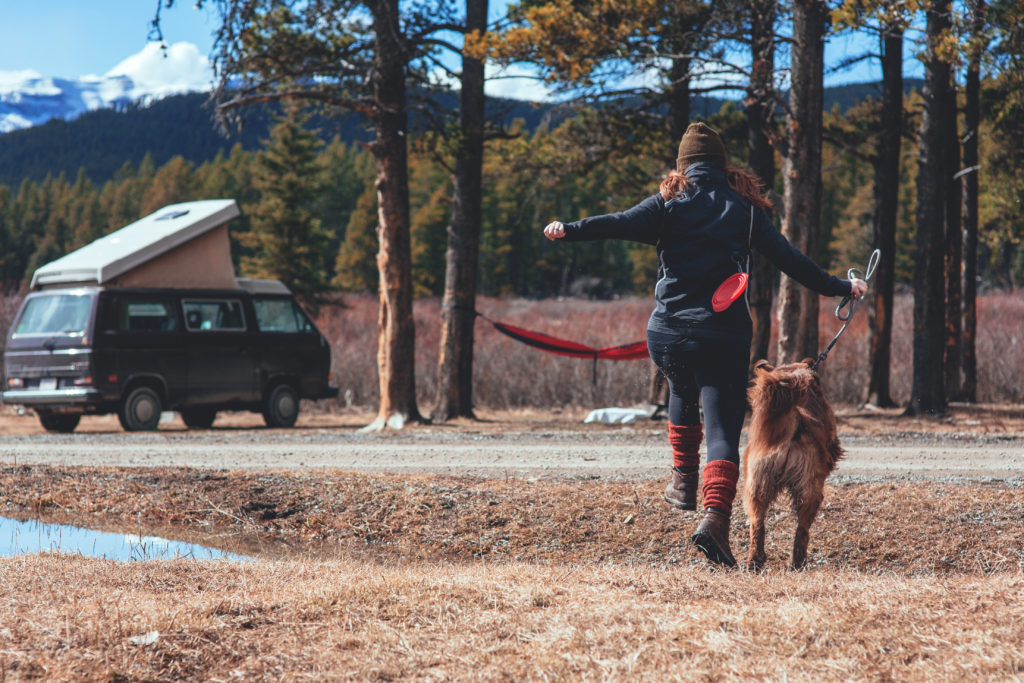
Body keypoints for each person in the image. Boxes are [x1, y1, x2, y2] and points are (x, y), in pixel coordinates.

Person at [543, 122, 867, 567]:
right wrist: (843, 287)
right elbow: (793, 262)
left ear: (684, 167)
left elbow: (617, 223)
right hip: (723, 337)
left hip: (668, 333)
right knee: (720, 426)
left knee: (680, 388)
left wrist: (570, 229)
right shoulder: (747, 211)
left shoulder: (668, 204)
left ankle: (682, 481)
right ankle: (714, 519)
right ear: (722, 166)